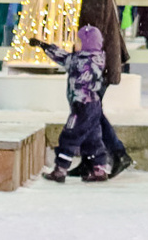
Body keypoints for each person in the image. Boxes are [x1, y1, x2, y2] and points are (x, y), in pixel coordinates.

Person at [64, 0, 133, 172]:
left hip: (97, 65)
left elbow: (93, 32)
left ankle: (116, 153)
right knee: (90, 112)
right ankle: (92, 158)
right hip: (104, 61)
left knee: (88, 111)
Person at [33, 23, 113, 182]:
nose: (74, 44)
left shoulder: (85, 61)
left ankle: (60, 169)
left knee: (70, 135)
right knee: (92, 138)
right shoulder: (88, 58)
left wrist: (80, 101)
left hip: (82, 106)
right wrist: (45, 46)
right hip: (93, 106)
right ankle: (99, 168)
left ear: (87, 43)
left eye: (78, 41)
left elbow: (67, 61)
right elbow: (63, 56)